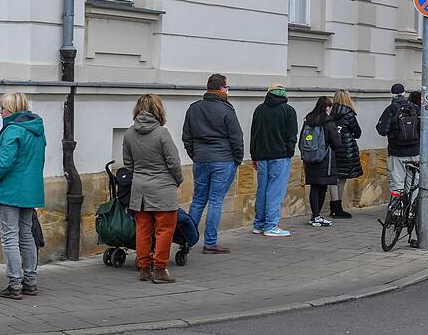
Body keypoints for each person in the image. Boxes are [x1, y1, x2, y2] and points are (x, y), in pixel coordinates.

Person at [123, 94, 183, 284]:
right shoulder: (161, 133)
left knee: (142, 229)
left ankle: (143, 267)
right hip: (163, 187)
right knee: (164, 230)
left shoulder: (129, 133)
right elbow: (173, 162)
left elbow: (128, 164)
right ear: (158, 110)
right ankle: (159, 269)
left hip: (139, 188)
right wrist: (178, 180)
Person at [0, 93, 45, 300]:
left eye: (2, 108)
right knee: (26, 235)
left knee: (9, 237)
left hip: (10, 191)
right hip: (30, 190)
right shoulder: (37, 129)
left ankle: (15, 284)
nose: (0, 112)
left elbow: (4, 164)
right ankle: (30, 281)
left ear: (11, 110)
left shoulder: (13, 130)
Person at [183, 74, 244, 254]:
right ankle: (210, 242)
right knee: (216, 201)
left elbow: (186, 136)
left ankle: (186, 239)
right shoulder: (226, 109)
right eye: (226, 87)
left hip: (201, 159)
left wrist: (195, 155)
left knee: (198, 200)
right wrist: (237, 160)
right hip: (223, 160)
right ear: (222, 89)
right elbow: (236, 138)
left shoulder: (193, 108)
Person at [251, 84, 298, 237]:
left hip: (262, 157)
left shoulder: (259, 109)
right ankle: (271, 225)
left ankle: (259, 224)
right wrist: (289, 151)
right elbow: (291, 135)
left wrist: (254, 156)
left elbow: (254, 134)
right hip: (280, 156)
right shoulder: (288, 110)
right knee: (275, 192)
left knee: (262, 190)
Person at [300, 97, 343, 227]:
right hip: (324, 160)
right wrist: (338, 132)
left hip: (310, 158)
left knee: (314, 187)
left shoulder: (308, 119)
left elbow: (302, 139)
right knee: (322, 187)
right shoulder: (328, 122)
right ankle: (316, 216)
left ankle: (315, 215)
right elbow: (337, 144)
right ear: (327, 108)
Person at [376, 84, 420, 194]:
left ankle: (398, 210)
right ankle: (410, 209)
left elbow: (382, 130)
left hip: (397, 152)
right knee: (413, 184)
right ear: (405, 93)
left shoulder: (391, 109)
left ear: (392, 95)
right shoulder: (415, 108)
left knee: (397, 183)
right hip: (414, 152)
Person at [330, 90, 362, 219]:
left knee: (333, 178)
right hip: (346, 149)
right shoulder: (348, 113)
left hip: (332, 148)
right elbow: (358, 132)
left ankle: (334, 207)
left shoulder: (330, 112)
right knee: (341, 178)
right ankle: (338, 208)